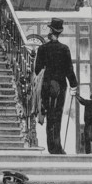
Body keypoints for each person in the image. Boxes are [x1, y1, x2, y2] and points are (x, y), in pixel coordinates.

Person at [34, 18, 78, 155]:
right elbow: (69, 70)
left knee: (48, 115)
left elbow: (37, 70)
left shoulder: (42, 49)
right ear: (59, 32)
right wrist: (74, 85)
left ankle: (51, 147)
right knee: (57, 115)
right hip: (60, 85)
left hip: (47, 85)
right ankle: (57, 147)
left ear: (51, 31)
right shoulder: (64, 49)